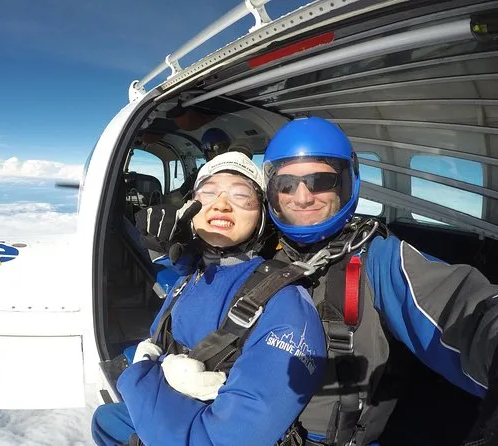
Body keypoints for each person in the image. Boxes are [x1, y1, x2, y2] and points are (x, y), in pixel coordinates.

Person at [136, 117, 498, 446]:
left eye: (321, 181)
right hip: (232, 417)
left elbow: (462, 308)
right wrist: (181, 248)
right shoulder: (261, 244)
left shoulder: (376, 259)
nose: (302, 196)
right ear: (272, 195)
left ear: (347, 184)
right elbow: (209, 282)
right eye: (286, 184)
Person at [92, 151, 327, 446]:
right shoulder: (195, 274)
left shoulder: (286, 306)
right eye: (208, 192)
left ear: (262, 216)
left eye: (241, 195)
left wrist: (140, 376)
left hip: (199, 431)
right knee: (104, 421)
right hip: (172, 413)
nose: (221, 204)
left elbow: (221, 440)